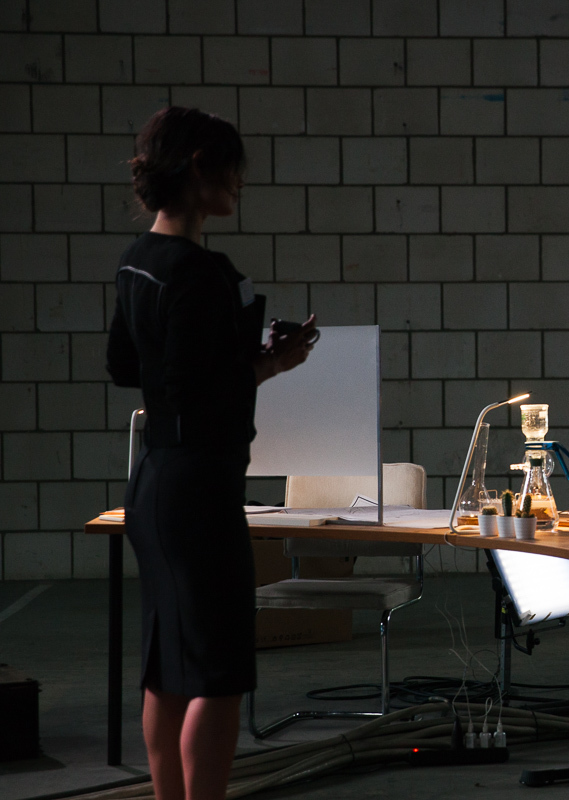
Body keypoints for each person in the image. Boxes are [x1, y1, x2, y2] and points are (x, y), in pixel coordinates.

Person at [106, 107, 315, 800]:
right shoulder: (206, 272)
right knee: (219, 676)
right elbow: (205, 392)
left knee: (168, 669)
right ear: (198, 168)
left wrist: (239, 363)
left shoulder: (136, 262)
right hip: (201, 490)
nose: (239, 184)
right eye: (232, 170)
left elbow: (125, 366)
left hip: (153, 485)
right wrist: (269, 363)